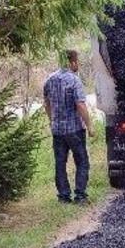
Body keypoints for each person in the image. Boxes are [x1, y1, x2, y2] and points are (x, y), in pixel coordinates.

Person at [43, 50, 95, 203]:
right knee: (82, 161)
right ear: (72, 62)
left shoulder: (49, 80)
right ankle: (80, 196)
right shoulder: (74, 80)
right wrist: (90, 125)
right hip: (74, 129)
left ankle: (64, 197)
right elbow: (80, 104)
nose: (77, 64)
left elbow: (47, 103)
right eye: (77, 61)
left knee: (60, 163)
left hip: (58, 130)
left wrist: (51, 120)